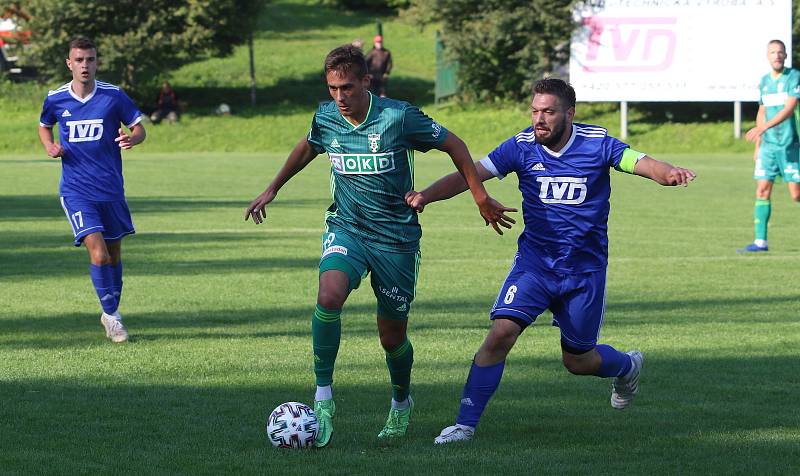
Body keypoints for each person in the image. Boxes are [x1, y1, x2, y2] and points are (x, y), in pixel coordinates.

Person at [244, 45, 513, 447]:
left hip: (396, 239)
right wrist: (272, 188)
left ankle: (401, 401)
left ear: (366, 82)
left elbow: (454, 145)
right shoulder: (326, 116)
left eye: (347, 87)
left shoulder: (398, 117)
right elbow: (308, 145)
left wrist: (479, 196)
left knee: (391, 337)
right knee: (328, 295)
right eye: (333, 88)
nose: (339, 96)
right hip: (347, 228)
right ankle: (323, 400)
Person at [403, 79, 695, 444]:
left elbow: (638, 160)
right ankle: (464, 425)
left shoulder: (597, 143)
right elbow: (472, 173)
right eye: (535, 111)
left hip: (583, 272)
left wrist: (666, 173)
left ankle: (627, 365)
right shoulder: (521, 146)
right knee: (500, 334)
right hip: (535, 266)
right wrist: (427, 195)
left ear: (569, 114)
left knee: (577, 361)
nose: (539, 119)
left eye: (549, 112)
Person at [37, 37, 146, 343]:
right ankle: (112, 318)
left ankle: (110, 311)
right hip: (76, 191)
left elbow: (139, 128)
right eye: (79, 60)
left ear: (98, 62)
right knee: (98, 254)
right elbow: (44, 124)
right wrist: (49, 145)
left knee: (113, 254)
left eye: (91, 59)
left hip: (111, 190)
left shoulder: (113, 96)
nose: (85, 65)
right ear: (69, 63)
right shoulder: (56, 98)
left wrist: (132, 139)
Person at [740, 39, 800, 253]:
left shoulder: (794, 77)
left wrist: (763, 128)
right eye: (773, 52)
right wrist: (759, 144)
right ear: (768, 56)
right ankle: (760, 242)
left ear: (785, 55)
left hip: (790, 144)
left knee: (796, 195)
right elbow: (762, 111)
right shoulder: (764, 81)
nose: (776, 55)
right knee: (762, 190)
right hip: (769, 147)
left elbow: (789, 109)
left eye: (780, 52)